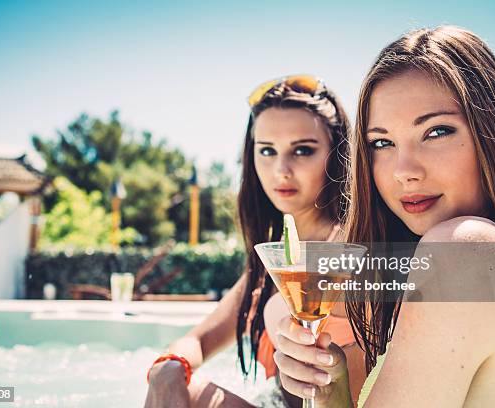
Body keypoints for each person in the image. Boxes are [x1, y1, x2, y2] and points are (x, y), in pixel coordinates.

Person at [273, 26, 495, 407]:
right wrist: (331, 391)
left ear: (494, 133)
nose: (403, 170)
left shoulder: (463, 251)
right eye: (382, 143)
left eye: (436, 131)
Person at [144, 75, 367, 408]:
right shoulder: (270, 264)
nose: (281, 169)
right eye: (267, 151)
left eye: (303, 150)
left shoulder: (353, 250)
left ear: (336, 155)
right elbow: (198, 340)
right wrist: (168, 368)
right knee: (178, 383)